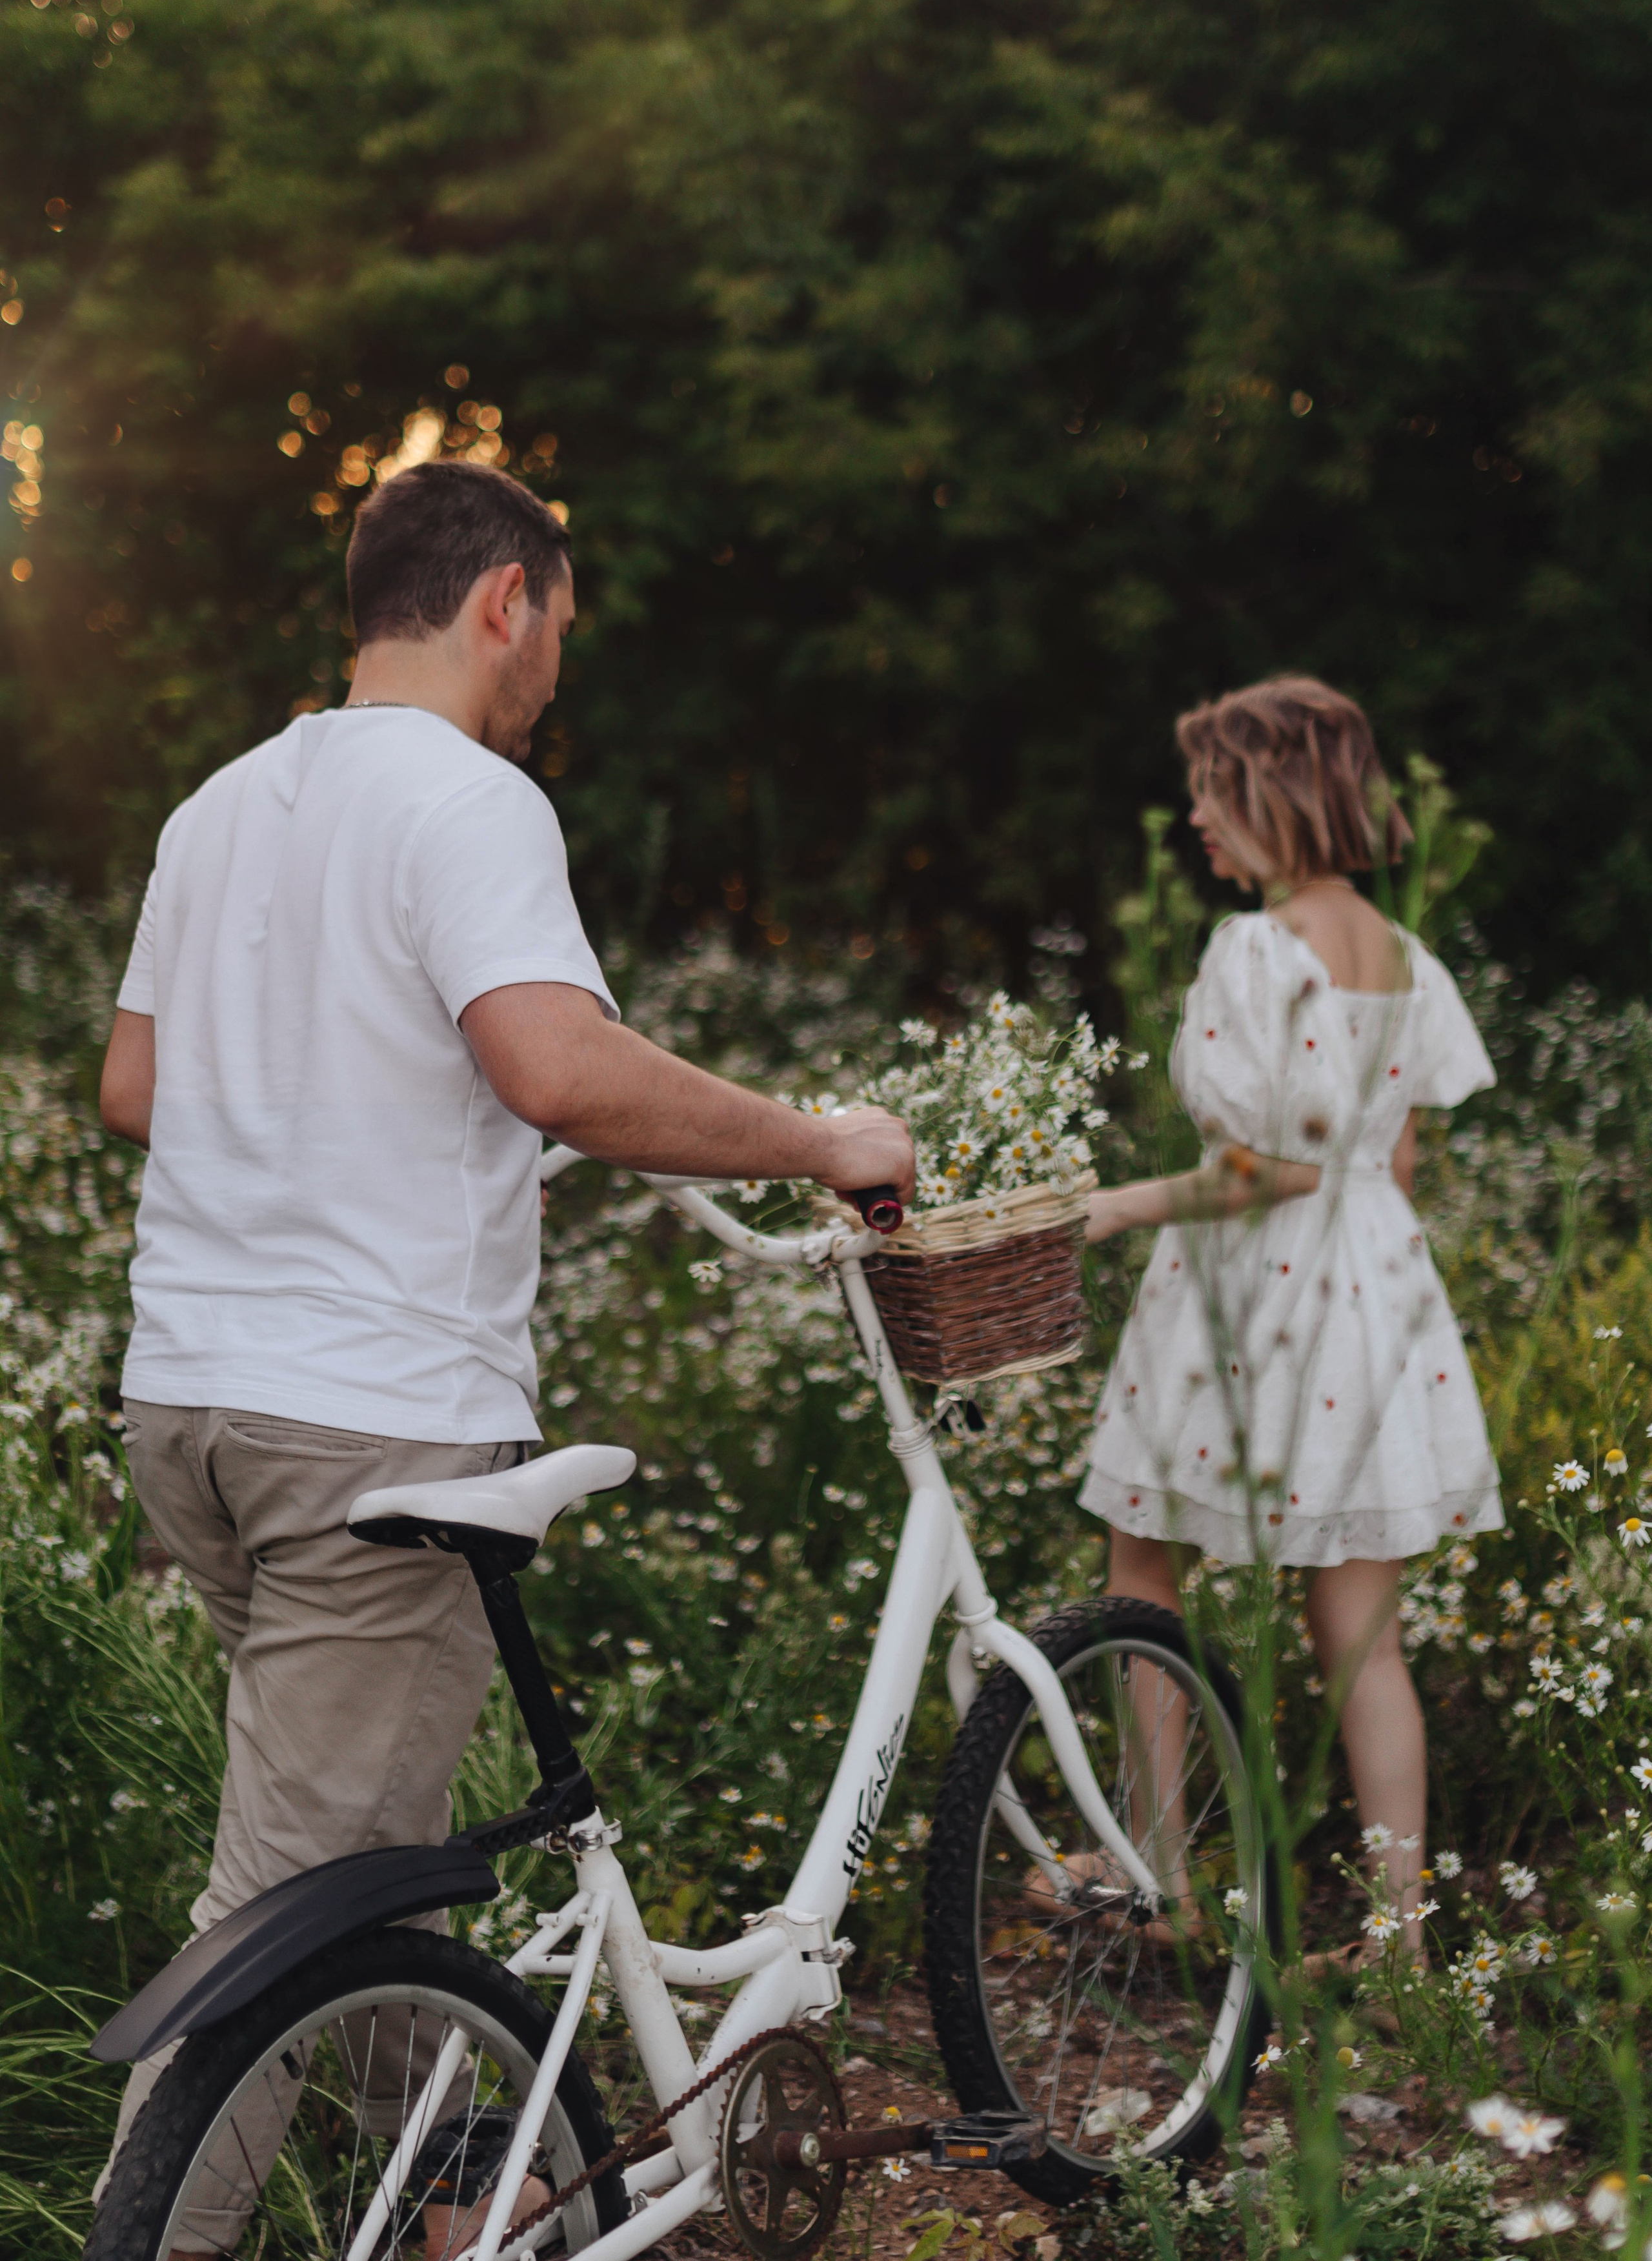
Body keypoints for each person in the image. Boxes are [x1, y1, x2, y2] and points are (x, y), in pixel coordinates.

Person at [95, 457, 914, 2207]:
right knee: (275, 1912)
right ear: (502, 601)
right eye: (561, 630)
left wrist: (385, 1139)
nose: (557, 672)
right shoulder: (470, 799)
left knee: (361, 1853)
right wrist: (819, 1141)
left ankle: (489, 2194)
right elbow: (555, 1067)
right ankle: (164, 2229)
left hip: (191, 1412)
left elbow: (138, 1088)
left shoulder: (220, 806)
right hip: (369, 1425)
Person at [1078, 675, 1498, 1954]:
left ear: (1275, 793)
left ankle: (1162, 1880)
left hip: (1253, 1292)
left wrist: (1112, 1207)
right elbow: (1391, 1162)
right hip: (1373, 1289)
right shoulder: (1402, 953)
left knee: (1143, 1569)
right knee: (1360, 1631)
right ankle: (1401, 1937)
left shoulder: (1256, 949)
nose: (1198, 819)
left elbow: (1274, 1169)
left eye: (1213, 792)